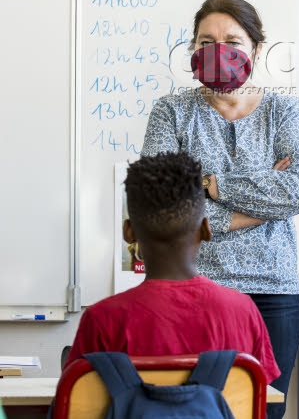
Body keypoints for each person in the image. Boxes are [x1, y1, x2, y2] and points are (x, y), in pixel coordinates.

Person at [142, 0, 299, 418]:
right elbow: (162, 206)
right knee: (193, 412)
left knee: (264, 410)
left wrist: (209, 184)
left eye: (232, 41)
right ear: (191, 51)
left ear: (256, 49)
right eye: (205, 42)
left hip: (273, 294)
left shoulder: (285, 110)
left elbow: (298, 190)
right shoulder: (171, 112)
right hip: (193, 290)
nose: (217, 51)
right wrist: (261, 208)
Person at [63, 152, 279, 385]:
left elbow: (80, 404)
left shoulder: (102, 320)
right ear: (206, 229)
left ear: (128, 232)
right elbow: (256, 403)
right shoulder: (243, 313)